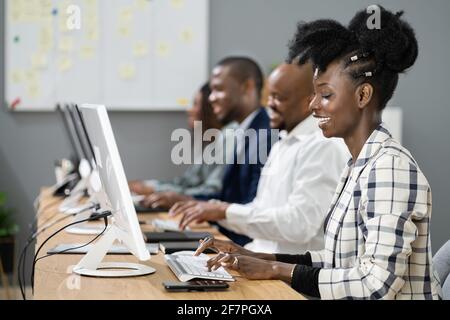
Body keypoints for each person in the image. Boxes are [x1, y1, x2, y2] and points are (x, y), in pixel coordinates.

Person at [195, 8, 442, 300]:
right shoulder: (358, 164)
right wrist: (253, 256)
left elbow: (376, 285)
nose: (313, 106)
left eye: (325, 95)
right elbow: (341, 261)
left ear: (362, 96)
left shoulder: (389, 168)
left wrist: (276, 269)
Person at [170, 63, 348, 254]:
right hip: (261, 261)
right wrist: (238, 248)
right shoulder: (282, 142)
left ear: (309, 101)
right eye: (269, 96)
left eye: (279, 98)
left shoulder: (322, 146)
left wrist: (225, 211)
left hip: (288, 278)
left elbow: (299, 225)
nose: (269, 104)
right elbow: (261, 211)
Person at [170, 56, 277, 246]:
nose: (211, 98)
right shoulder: (245, 130)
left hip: (246, 248)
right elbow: (229, 198)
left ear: (247, 87)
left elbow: (253, 207)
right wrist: (192, 203)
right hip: (230, 240)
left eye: (218, 89)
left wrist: (207, 208)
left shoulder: (265, 135)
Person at [129, 83, 231, 209]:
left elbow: (211, 192)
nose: (189, 110)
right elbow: (187, 181)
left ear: (210, 108)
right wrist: (150, 187)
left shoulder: (227, 139)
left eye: (195, 104)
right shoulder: (210, 143)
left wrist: (158, 191)